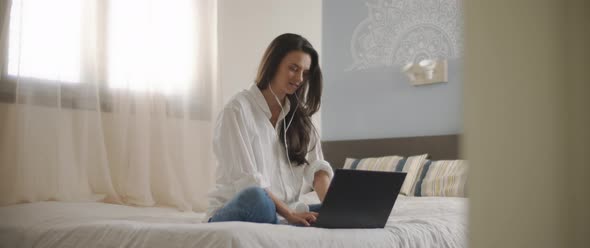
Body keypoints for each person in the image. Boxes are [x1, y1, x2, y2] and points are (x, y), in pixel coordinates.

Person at [207, 33, 333, 226]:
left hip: (286, 212)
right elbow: (248, 181)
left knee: (343, 211)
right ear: (274, 64)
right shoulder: (237, 110)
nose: (299, 78)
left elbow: (317, 169)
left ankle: (285, 221)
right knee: (257, 198)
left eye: (305, 73)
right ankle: (284, 220)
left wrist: (332, 207)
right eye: (293, 68)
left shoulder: (300, 119)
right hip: (246, 207)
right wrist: (290, 214)